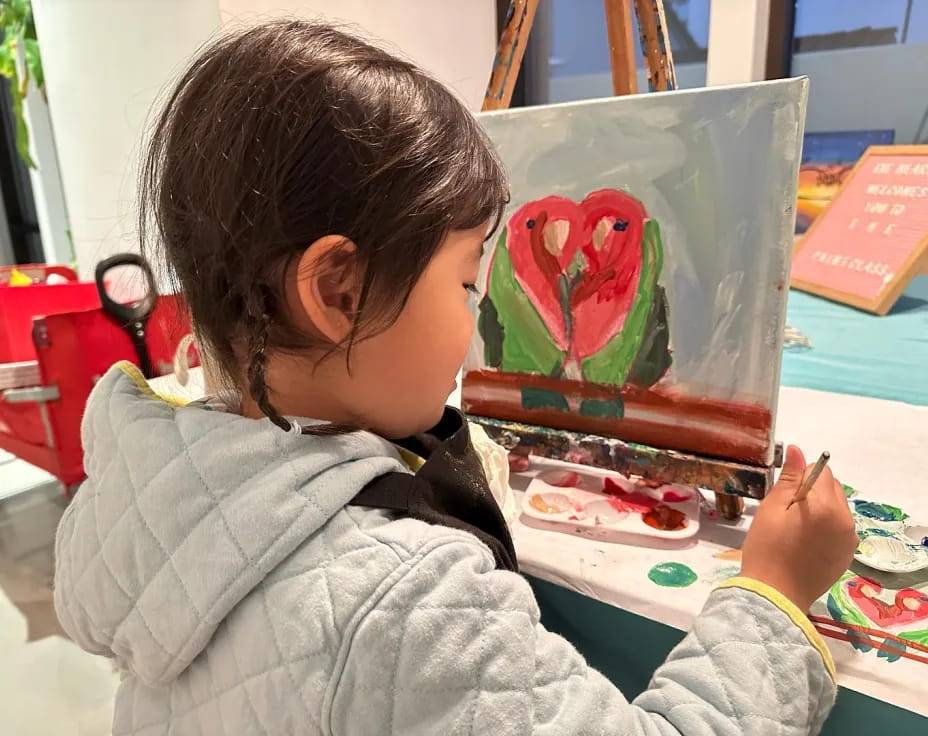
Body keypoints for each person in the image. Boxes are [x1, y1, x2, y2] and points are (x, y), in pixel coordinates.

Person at [54, 20, 857, 735]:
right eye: (469, 281)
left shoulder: (148, 498)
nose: (477, 318)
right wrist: (773, 596)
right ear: (339, 292)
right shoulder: (413, 608)